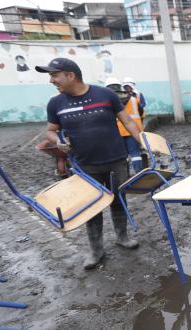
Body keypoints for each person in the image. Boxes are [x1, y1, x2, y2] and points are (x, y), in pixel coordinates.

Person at [36, 58, 142, 270]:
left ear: (70, 75)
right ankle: (96, 251)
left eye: (55, 75)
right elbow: (50, 130)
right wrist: (58, 140)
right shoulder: (56, 103)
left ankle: (122, 237)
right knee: (91, 207)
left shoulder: (106, 95)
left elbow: (128, 121)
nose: (52, 80)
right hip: (85, 165)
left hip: (116, 160)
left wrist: (145, 143)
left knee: (118, 200)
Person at [106, 78, 144, 173]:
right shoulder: (134, 99)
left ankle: (125, 175)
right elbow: (142, 114)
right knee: (135, 153)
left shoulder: (107, 101)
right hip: (133, 130)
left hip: (117, 132)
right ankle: (139, 173)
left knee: (122, 155)